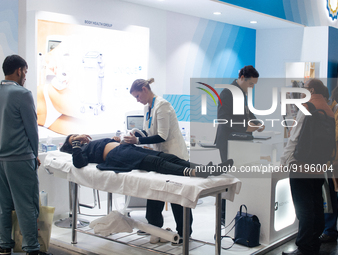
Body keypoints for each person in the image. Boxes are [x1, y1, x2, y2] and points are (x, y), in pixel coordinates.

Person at [125, 78, 192, 244]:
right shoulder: (148, 107)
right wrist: (138, 135)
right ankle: (154, 226)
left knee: (177, 197)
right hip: (159, 157)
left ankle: (184, 233)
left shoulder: (162, 105)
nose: (137, 99)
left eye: (138, 95)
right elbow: (150, 132)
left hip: (175, 156)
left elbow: (162, 135)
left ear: (145, 89)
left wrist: (138, 142)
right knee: (154, 191)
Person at [0, 55, 51, 255]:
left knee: (4, 205)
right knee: (26, 205)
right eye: (26, 72)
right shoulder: (22, 94)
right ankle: (32, 248)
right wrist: (34, 153)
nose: (25, 77)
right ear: (19, 70)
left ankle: (4, 245)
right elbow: (32, 129)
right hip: (20, 158)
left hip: (1, 160)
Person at [281, 79, 335, 255]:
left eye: (305, 88)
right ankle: (313, 241)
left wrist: (285, 160)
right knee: (316, 203)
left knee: (303, 207)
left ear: (311, 89)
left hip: (301, 165)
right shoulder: (328, 109)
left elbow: (294, 138)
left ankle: (304, 247)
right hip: (319, 165)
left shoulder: (307, 106)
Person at [214, 65, 264, 225]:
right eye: (251, 84)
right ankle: (223, 214)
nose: (252, 87)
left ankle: (233, 209)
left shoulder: (241, 92)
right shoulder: (227, 92)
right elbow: (223, 118)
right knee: (228, 178)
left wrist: (256, 122)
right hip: (228, 142)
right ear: (242, 78)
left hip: (240, 142)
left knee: (238, 177)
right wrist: (245, 127)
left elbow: (246, 111)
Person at [60, 134, 233, 176]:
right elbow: (79, 164)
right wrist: (75, 143)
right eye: (74, 137)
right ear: (72, 144)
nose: (79, 136)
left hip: (124, 149)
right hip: (116, 156)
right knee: (154, 163)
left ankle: (207, 169)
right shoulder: (79, 150)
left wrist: (113, 139)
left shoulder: (89, 143)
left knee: (167, 157)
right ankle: (195, 173)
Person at [319, 85, 338, 243]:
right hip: (333, 158)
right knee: (331, 193)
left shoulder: (336, 110)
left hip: (334, 159)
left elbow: (335, 132)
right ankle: (329, 229)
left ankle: (330, 230)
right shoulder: (333, 109)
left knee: (331, 193)